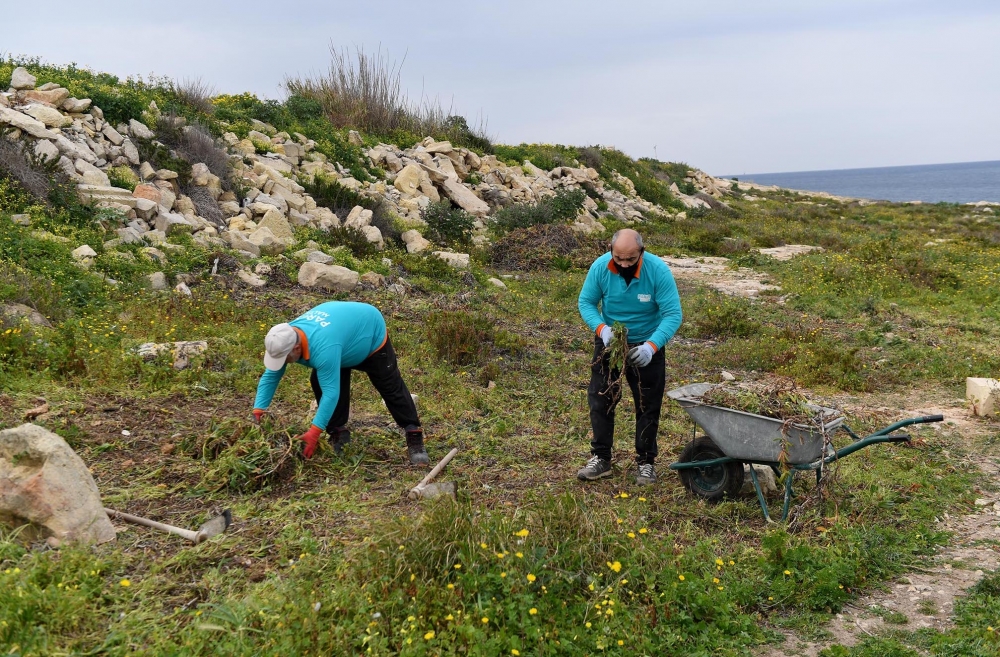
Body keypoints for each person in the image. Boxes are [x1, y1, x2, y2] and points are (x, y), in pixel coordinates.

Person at [251, 301, 429, 465]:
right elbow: (271, 376)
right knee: (320, 380)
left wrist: (314, 433)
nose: (282, 362)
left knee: (389, 385)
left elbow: (331, 393)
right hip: (341, 337)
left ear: (296, 348)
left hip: (369, 331)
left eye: (284, 358)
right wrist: (258, 412)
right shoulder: (285, 337)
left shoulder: (324, 349)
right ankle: (338, 432)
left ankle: (414, 435)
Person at [577, 229, 682, 485]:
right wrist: (603, 330)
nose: (623, 264)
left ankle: (646, 462)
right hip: (611, 342)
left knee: (647, 403)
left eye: (630, 260)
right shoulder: (601, 267)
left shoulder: (657, 271)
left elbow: (672, 314)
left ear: (641, 253)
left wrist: (651, 347)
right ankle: (601, 458)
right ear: (611, 251)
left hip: (646, 344)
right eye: (619, 258)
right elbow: (586, 303)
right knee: (602, 398)